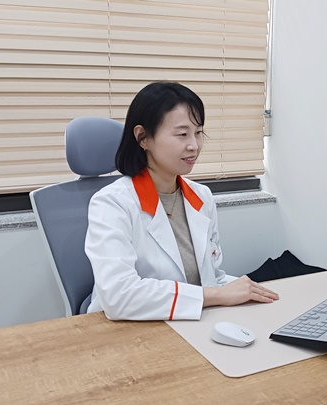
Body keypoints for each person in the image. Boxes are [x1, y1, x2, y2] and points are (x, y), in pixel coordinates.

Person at [85, 81, 279, 320]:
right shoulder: (111, 203)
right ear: (143, 138)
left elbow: (212, 278)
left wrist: (249, 291)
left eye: (198, 133)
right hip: (127, 329)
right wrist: (217, 295)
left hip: (191, 322)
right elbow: (119, 296)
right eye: (182, 134)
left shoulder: (201, 197)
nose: (194, 146)